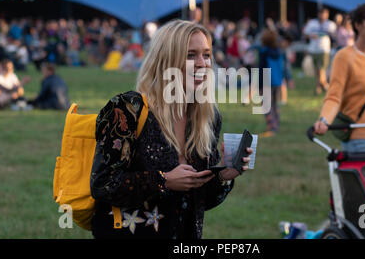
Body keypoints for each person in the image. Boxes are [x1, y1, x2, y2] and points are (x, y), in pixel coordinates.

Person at [90, 19, 252, 239]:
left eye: (206, 55)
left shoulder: (207, 117)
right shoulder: (127, 109)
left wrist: (223, 176)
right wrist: (163, 180)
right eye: (190, 55)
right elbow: (102, 184)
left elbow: (199, 201)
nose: (202, 63)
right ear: (166, 61)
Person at [313, 2, 365, 152]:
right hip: (359, 138)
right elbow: (334, 97)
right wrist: (324, 120)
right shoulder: (344, 56)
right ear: (357, 25)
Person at [303, 8, 337, 95]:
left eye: (324, 13)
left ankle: (323, 87)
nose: (322, 15)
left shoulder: (330, 24)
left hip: (324, 49)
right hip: (313, 49)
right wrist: (311, 35)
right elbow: (305, 33)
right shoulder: (312, 23)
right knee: (317, 70)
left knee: (321, 69)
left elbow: (334, 35)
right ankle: (323, 85)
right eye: (321, 13)